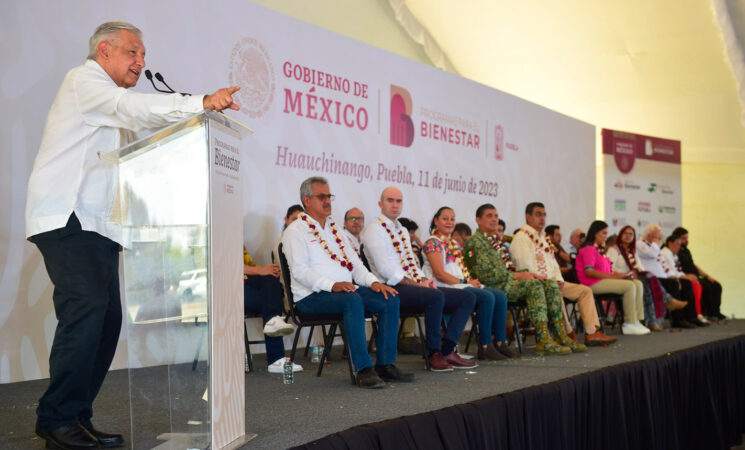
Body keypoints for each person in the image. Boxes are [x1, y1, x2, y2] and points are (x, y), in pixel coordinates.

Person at [25, 21, 240, 449]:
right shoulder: (84, 81)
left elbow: (135, 142)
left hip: (99, 226)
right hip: (69, 218)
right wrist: (199, 102)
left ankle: (74, 418)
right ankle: (56, 418)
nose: (141, 63)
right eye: (132, 53)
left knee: (105, 323)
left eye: (143, 56)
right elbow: (137, 109)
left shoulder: (109, 102)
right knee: (84, 317)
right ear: (104, 51)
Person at [282, 177, 412, 388]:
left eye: (329, 196)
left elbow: (356, 265)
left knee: (389, 297)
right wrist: (331, 285)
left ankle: (386, 365)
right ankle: (363, 369)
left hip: (345, 291)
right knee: (352, 301)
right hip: (311, 297)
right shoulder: (295, 231)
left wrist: (373, 282)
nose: (327, 201)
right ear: (307, 200)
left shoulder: (337, 232)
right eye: (321, 196)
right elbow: (299, 271)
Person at [362, 187, 481, 368]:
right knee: (435, 296)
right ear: (380, 204)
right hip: (391, 287)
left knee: (467, 297)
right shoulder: (374, 229)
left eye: (398, 201)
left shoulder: (401, 230)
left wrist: (422, 281)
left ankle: (447, 350)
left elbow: (412, 264)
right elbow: (385, 269)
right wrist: (414, 284)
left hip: (411, 285)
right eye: (390, 200)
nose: (395, 205)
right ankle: (434, 353)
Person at [463, 204, 571, 355]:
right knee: (534, 285)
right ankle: (543, 338)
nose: (494, 219)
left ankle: (560, 335)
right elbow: (484, 275)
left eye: (496, 216)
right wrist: (517, 275)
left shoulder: (493, 240)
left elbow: (507, 269)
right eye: (489, 216)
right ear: (477, 220)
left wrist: (526, 274)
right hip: (490, 286)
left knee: (549, 284)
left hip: (506, 283)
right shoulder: (474, 243)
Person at [511, 203, 614, 347]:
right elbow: (524, 266)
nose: (542, 218)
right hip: (537, 285)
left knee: (585, 290)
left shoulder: (544, 238)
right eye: (538, 214)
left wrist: (559, 279)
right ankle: (567, 334)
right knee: (555, 291)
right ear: (528, 216)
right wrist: (549, 281)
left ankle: (592, 332)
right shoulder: (521, 237)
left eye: (544, 214)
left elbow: (553, 264)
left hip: (553, 282)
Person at [421, 207, 516, 360]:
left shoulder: (452, 243)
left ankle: (500, 342)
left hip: (459, 284)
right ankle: (485, 345)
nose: (449, 222)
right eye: (445, 218)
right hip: (443, 286)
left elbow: (460, 270)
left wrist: (468, 281)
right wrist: (467, 282)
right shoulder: (433, 242)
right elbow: (440, 274)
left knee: (499, 296)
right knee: (487, 297)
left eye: (452, 219)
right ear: (436, 221)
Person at [605, 226, 687, 331]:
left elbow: (639, 266)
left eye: (631, 234)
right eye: (625, 233)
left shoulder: (632, 250)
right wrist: (628, 274)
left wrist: (635, 271)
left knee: (648, 281)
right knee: (647, 280)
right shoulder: (614, 249)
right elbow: (610, 269)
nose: (628, 236)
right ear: (621, 235)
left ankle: (650, 320)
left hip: (633, 277)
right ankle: (663, 305)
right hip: (620, 278)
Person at [576, 221, 649, 335]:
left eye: (606, 233)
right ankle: (629, 323)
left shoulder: (597, 249)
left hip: (602, 280)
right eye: (603, 233)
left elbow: (606, 270)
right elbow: (589, 271)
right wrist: (613, 277)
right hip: (591, 283)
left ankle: (637, 321)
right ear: (595, 233)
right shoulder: (588, 248)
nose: (606, 236)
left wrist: (620, 276)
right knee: (629, 286)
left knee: (637, 283)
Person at [243, 248, 302, 373]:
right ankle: (276, 358)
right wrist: (260, 270)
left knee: (271, 280)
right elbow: (227, 265)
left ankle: (273, 322)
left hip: (246, 285)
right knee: (271, 299)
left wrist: (269, 271)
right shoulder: (218, 235)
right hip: (225, 293)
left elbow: (248, 267)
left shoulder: (235, 236)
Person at [637, 225, 702, 328]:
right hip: (652, 278)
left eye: (659, 237)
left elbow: (665, 265)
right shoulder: (640, 244)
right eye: (657, 236)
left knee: (686, 284)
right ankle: (678, 320)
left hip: (663, 276)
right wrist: (655, 243)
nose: (659, 239)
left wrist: (673, 276)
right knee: (673, 284)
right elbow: (652, 254)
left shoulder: (656, 247)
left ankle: (691, 317)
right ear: (649, 235)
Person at [672, 227, 725, 320]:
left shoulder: (686, 251)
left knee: (716, 285)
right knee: (706, 287)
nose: (686, 241)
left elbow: (693, 265)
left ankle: (716, 312)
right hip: (686, 276)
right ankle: (707, 313)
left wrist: (707, 276)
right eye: (684, 238)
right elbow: (675, 267)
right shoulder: (675, 251)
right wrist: (685, 276)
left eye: (687, 238)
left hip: (695, 276)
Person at [660, 236, 710, 325]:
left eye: (680, 245)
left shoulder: (673, 254)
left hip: (673, 276)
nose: (679, 247)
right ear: (670, 243)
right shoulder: (665, 253)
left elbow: (677, 270)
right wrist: (684, 276)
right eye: (677, 244)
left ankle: (694, 315)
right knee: (686, 283)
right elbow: (670, 271)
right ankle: (683, 317)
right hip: (666, 277)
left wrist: (684, 276)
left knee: (694, 283)